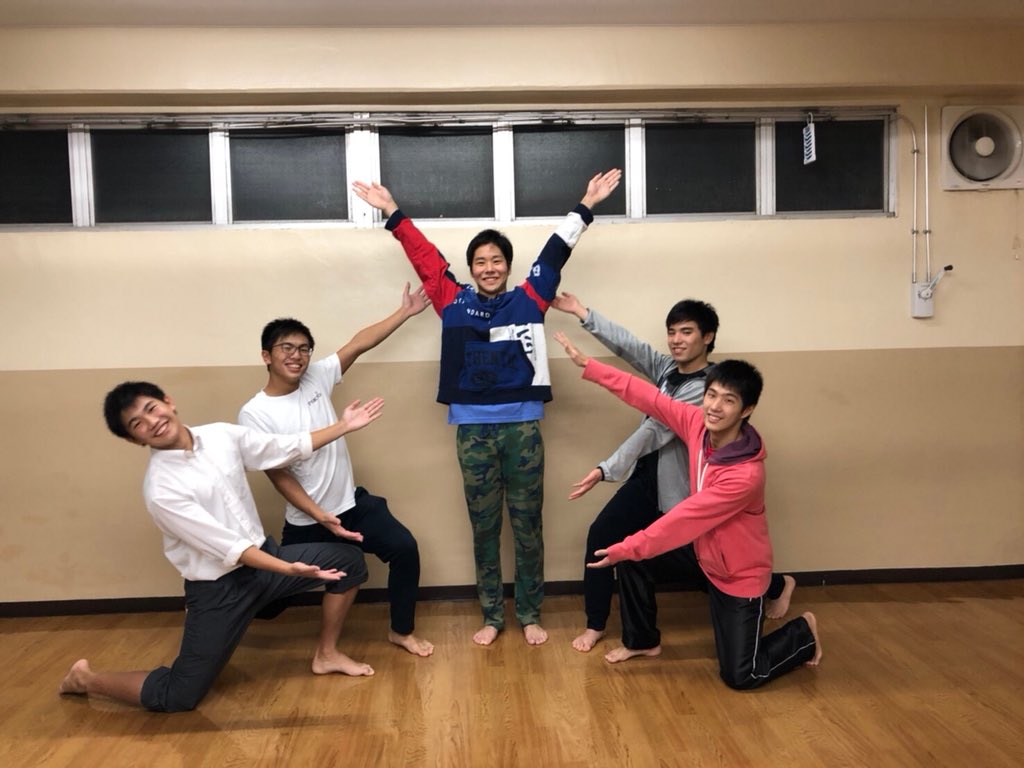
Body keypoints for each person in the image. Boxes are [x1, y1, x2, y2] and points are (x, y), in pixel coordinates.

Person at [353, 170, 622, 646]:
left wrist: (586, 205)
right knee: (484, 528)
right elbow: (425, 258)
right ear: (472, 269)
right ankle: (493, 616)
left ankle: (531, 613)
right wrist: (392, 211)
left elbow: (555, 252)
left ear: (508, 267)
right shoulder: (452, 301)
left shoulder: (530, 299)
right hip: (472, 432)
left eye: (497, 260)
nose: (489, 268)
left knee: (528, 526)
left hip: (523, 430)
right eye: (480, 262)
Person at [59, 381, 382, 712]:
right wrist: (288, 568)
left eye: (151, 408)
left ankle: (327, 655)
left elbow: (282, 447)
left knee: (349, 561)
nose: (152, 422)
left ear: (168, 402)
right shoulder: (161, 489)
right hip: (220, 589)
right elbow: (231, 548)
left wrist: (343, 426)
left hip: (266, 561)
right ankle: (85, 679)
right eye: (137, 424)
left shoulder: (220, 435)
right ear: (134, 439)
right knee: (178, 696)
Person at [555, 333, 821, 688]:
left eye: (729, 400)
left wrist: (627, 546)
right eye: (711, 395)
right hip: (701, 552)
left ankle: (803, 632)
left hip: (736, 573)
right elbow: (649, 398)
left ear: (746, 410)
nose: (715, 406)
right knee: (634, 560)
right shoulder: (697, 424)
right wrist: (590, 366)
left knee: (743, 675)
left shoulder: (745, 475)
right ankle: (642, 640)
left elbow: (682, 520)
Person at [238, 286, 434, 658]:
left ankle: (401, 631)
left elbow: (358, 344)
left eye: (304, 348)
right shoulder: (255, 413)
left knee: (404, 549)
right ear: (266, 355)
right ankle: (217, 602)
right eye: (286, 348)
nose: (297, 356)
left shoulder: (316, 377)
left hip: (352, 506)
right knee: (272, 601)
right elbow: (279, 475)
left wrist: (404, 313)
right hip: (308, 519)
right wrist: (320, 516)